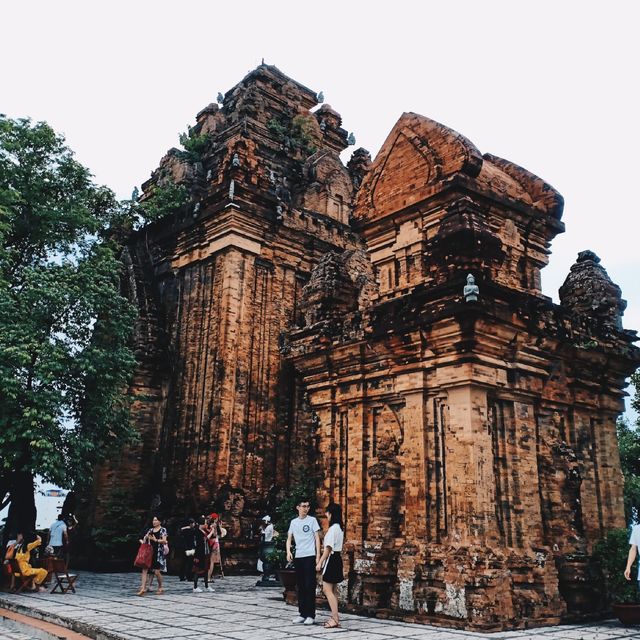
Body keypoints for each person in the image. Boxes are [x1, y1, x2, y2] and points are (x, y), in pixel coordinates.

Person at [286, 498, 320, 625]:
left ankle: (311, 614)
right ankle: (302, 613)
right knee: (300, 585)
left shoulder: (312, 520)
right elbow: (289, 538)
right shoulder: (294, 522)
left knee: (309, 585)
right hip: (299, 556)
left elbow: (317, 538)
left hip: (310, 556)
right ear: (298, 507)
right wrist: (289, 551)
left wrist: (317, 556)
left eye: (307, 506)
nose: (306, 508)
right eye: (303, 506)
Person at [316, 503, 345, 628]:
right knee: (332, 590)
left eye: (327, 513)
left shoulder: (333, 529)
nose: (326, 516)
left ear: (331, 514)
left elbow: (328, 549)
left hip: (332, 559)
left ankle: (335, 618)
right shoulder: (339, 528)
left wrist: (320, 562)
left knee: (327, 590)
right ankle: (335, 616)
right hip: (337, 558)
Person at [136, 516, 167, 596]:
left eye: (156, 520)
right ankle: (143, 588)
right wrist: (145, 539)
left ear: (160, 522)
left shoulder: (163, 530)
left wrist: (155, 540)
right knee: (144, 570)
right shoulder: (150, 530)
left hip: (159, 553)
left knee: (157, 572)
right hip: (149, 553)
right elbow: (145, 538)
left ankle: (160, 587)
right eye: (153, 520)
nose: (154, 521)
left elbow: (164, 541)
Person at [192, 516, 214, 593]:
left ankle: (206, 585)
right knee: (198, 570)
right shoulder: (198, 531)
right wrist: (212, 531)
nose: (206, 524)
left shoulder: (203, 530)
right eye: (205, 523)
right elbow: (205, 539)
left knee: (205, 570)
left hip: (205, 552)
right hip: (200, 553)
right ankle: (195, 586)